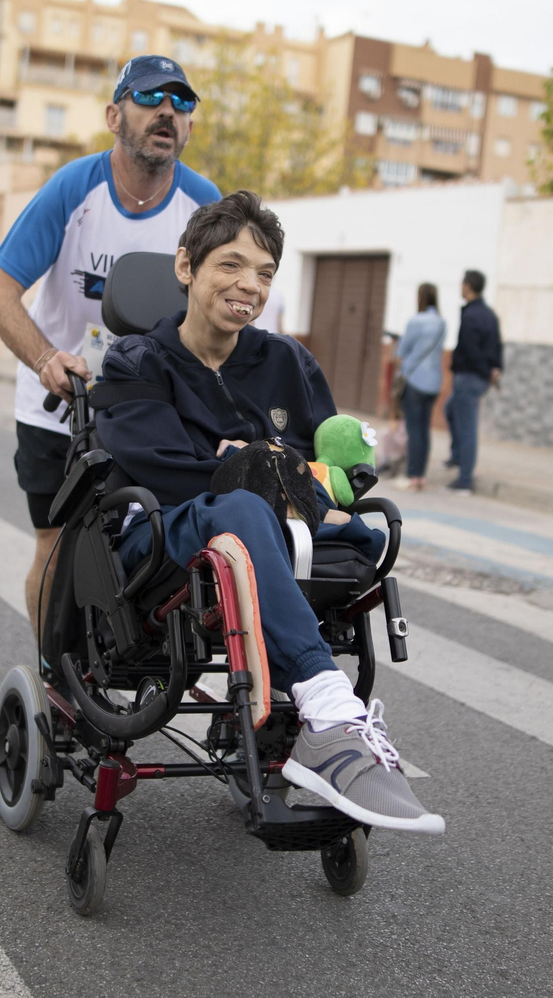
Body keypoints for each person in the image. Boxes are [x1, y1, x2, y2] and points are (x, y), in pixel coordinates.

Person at [93, 191, 443, 835]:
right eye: (230, 265)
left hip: (276, 535)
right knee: (246, 509)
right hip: (161, 532)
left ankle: (308, 704)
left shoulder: (287, 362)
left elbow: (326, 466)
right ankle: (329, 711)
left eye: (264, 273)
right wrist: (256, 473)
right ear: (186, 268)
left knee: (362, 534)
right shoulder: (136, 359)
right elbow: (157, 463)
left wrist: (295, 485)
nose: (248, 285)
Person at [0, 54, 220, 628]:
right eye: (150, 98)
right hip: (60, 405)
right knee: (57, 545)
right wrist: (45, 359)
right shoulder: (73, 188)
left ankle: (123, 662)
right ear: (115, 115)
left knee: (155, 545)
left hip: (150, 410)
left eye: (181, 102)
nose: (167, 112)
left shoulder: (203, 204)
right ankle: (50, 691)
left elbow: (217, 310)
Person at [442, 269, 502, 494]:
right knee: (450, 409)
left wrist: (485, 369)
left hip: (469, 376)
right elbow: (497, 344)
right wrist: (495, 368)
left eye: (462, 283)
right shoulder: (488, 314)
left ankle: (465, 480)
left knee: (467, 428)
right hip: (477, 376)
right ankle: (458, 457)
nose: (460, 287)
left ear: (468, 286)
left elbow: (471, 349)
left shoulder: (472, 315)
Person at [394, 282, 446, 491]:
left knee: (414, 430)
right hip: (434, 382)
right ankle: (421, 475)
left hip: (415, 380)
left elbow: (402, 350)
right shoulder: (442, 322)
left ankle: (412, 475)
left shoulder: (415, 321)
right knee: (424, 429)